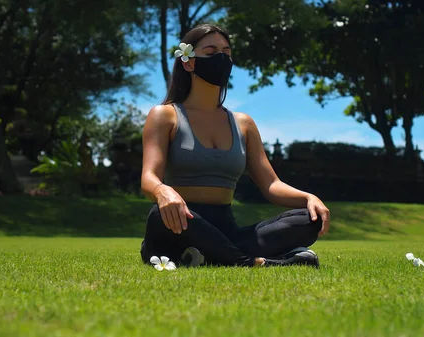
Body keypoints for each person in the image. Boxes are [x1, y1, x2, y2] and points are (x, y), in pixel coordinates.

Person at [139, 23, 330, 268]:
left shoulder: (243, 123)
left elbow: (271, 185)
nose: (221, 59)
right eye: (210, 52)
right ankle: (257, 262)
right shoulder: (164, 115)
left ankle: (210, 255)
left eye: (226, 53)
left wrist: (308, 198)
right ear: (188, 62)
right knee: (158, 215)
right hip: (178, 224)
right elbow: (148, 178)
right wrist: (162, 191)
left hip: (226, 229)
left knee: (308, 219)